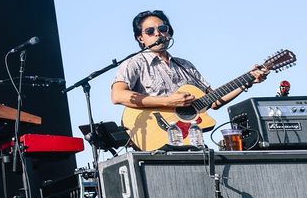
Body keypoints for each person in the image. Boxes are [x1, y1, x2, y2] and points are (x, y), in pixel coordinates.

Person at [112, 9, 268, 117]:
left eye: (162, 28)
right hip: (156, 139)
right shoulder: (135, 63)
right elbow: (117, 95)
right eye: (150, 31)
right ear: (140, 38)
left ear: (169, 32)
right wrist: (168, 101)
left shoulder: (185, 65)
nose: (158, 33)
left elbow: (214, 101)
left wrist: (247, 81)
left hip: (190, 137)